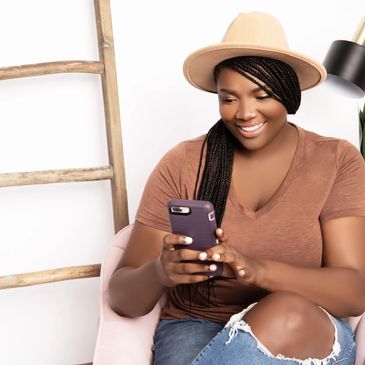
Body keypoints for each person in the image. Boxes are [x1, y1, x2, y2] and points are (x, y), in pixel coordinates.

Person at [109, 12, 365, 365]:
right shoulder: (183, 163)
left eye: (261, 95)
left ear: (288, 95)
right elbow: (121, 298)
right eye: (228, 99)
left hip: (303, 330)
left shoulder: (337, 160)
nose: (244, 113)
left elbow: (354, 291)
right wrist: (159, 272)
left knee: (283, 309)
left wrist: (254, 269)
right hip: (197, 325)